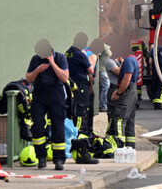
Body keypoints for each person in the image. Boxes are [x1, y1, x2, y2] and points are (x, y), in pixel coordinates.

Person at [25, 38, 70, 171]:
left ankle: (59, 160)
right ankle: (41, 158)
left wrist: (52, 63)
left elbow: (65, 77)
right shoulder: (35, 59)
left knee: (58, 128)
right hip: (40, 95)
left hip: (56, 96)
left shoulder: (60, 58)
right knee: (37, 126)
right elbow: (28, 78)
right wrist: (38, 70)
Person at [64, 32, 98, 164]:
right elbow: (91, 70)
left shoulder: (67, 53)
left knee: (72, 113)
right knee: (81, 115)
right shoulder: (79, 54)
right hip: (80, 86)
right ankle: (80, 147)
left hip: (70, 86)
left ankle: (74, 142)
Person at [105, 35, 139, 150]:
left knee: (119, 119)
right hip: (132, 92)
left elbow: (127, 79)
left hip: (127, 92)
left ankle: (120, 146)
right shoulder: (131, 59)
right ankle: (130, 146)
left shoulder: (129, 61)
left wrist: (118, 93)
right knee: (129, 120)